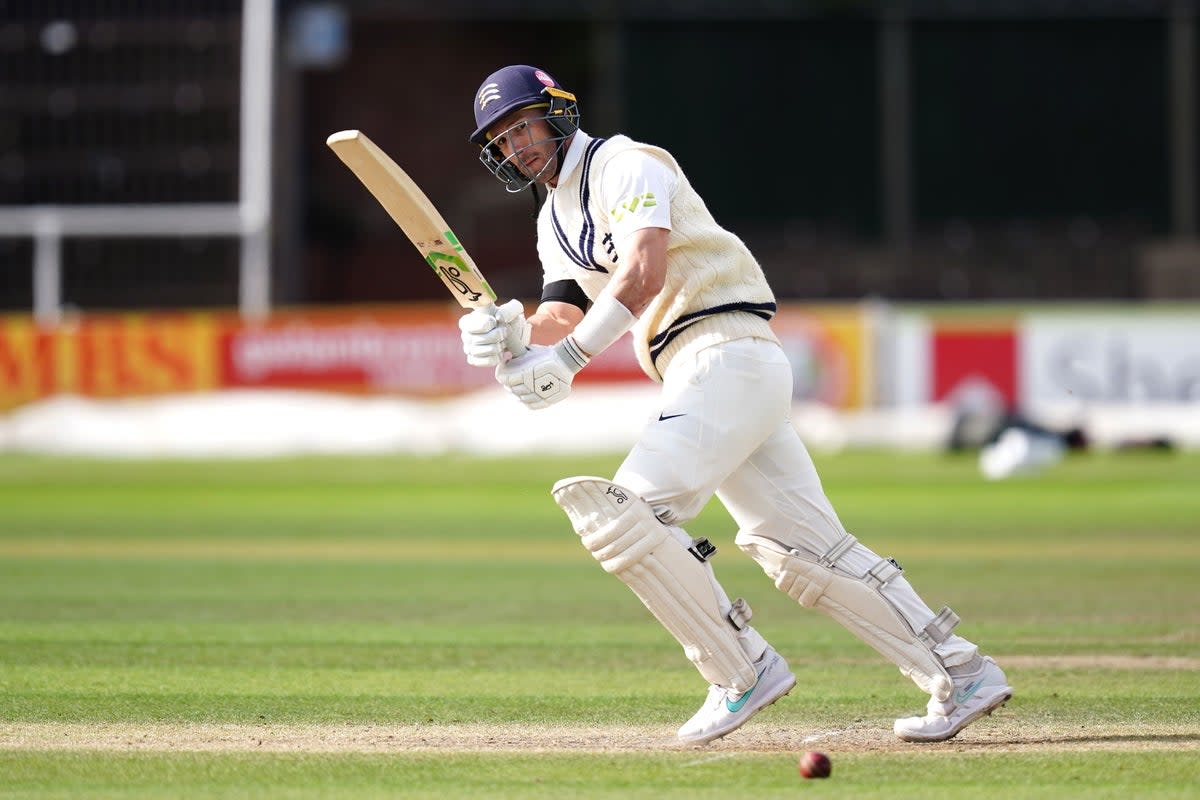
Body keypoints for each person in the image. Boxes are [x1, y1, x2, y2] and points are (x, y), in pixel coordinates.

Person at [458, 64, 1013, 745]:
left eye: (523, 127)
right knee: (803, 554)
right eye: (503, 140)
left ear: (556, 113)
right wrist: (512, 329)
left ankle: (740, 671)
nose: (518, 147)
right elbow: (561, 311)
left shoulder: (623, 163)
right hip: (714, 374)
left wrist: (569, 361)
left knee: (623, 512)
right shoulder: (553, 216)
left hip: (725, 351)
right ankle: (962, 674)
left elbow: (642, 271)